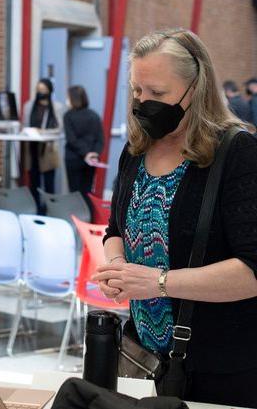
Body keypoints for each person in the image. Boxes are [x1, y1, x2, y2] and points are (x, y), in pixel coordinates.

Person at [93, 28, 257, 407]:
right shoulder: (136, 150)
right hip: (143, 358)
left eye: (159, 93)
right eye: (137, 91)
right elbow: (114, 230)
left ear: (195, 88)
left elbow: (252, 269)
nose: (143, 102)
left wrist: (159, 282)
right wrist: (118, 268)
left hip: (222, 367)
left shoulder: (236, 152)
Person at [23, 78, 64, 207]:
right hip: (32, 148)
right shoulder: (29, 106)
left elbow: (59, 129)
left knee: (49, 183)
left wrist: (42, 132)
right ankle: (35, 209)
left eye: (43, 90)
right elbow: (25, 125)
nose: (41, 92)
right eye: (38, 90)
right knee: (33, 182)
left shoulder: (57, 107)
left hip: (48, 149)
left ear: (49, 91)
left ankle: (49, 209)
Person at [63, 85, 104, 203]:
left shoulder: (68, 116)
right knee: (87, 192)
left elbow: (71, 139)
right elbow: (100, 139)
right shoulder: (94, 115)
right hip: (91, 161)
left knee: (75, 193)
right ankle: (89, 218)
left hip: (73, 158)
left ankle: (77, 219)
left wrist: (85, 153)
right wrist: (94, 153)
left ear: (73, 99)